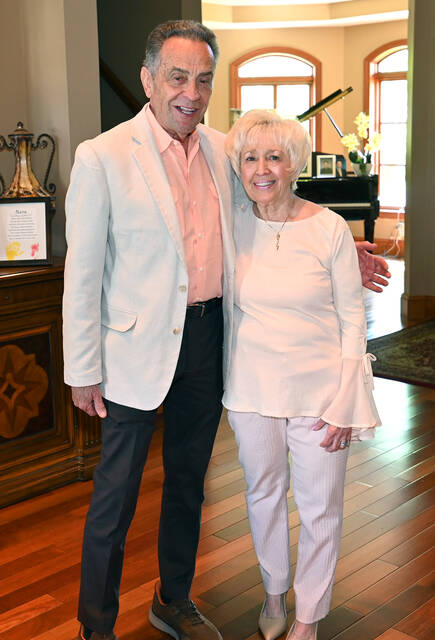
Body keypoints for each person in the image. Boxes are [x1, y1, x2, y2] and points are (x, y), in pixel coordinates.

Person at [63, 19, 389, 640]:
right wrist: (82, 368)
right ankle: (95, 625)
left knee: (189, 483)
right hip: (132, 351)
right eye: (177, 77)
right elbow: (82, 274)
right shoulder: (102, 157)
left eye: (204, 79)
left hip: (211, 339)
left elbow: (274, 210)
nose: (191, 92)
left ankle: (173, 599)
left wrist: (343, 250)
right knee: (116, 495)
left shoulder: (224, 150)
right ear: (148, 79)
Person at [223, 110, 381, 640]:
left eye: (274, 157)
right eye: (250, 157)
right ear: (239, 167)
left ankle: (308, 617)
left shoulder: (329, 227)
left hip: (320, 394)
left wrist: (347, 402)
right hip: (250, 390)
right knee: (262, 494)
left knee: (321, 509)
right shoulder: (231, 224)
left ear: (294, 164)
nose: (262, 169)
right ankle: (273, 592)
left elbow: (353, 322)